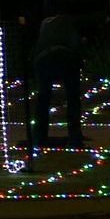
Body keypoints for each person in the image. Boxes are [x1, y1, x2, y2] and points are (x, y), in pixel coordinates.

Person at [31, 12, 86, 149]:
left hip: (44, 59)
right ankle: (74, 138)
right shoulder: (69, 24)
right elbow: (77, 45)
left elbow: (38, 47)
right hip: (67, 57)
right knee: (73, 99)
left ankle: (39, 136)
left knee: (43, 99)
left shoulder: (45, 24)